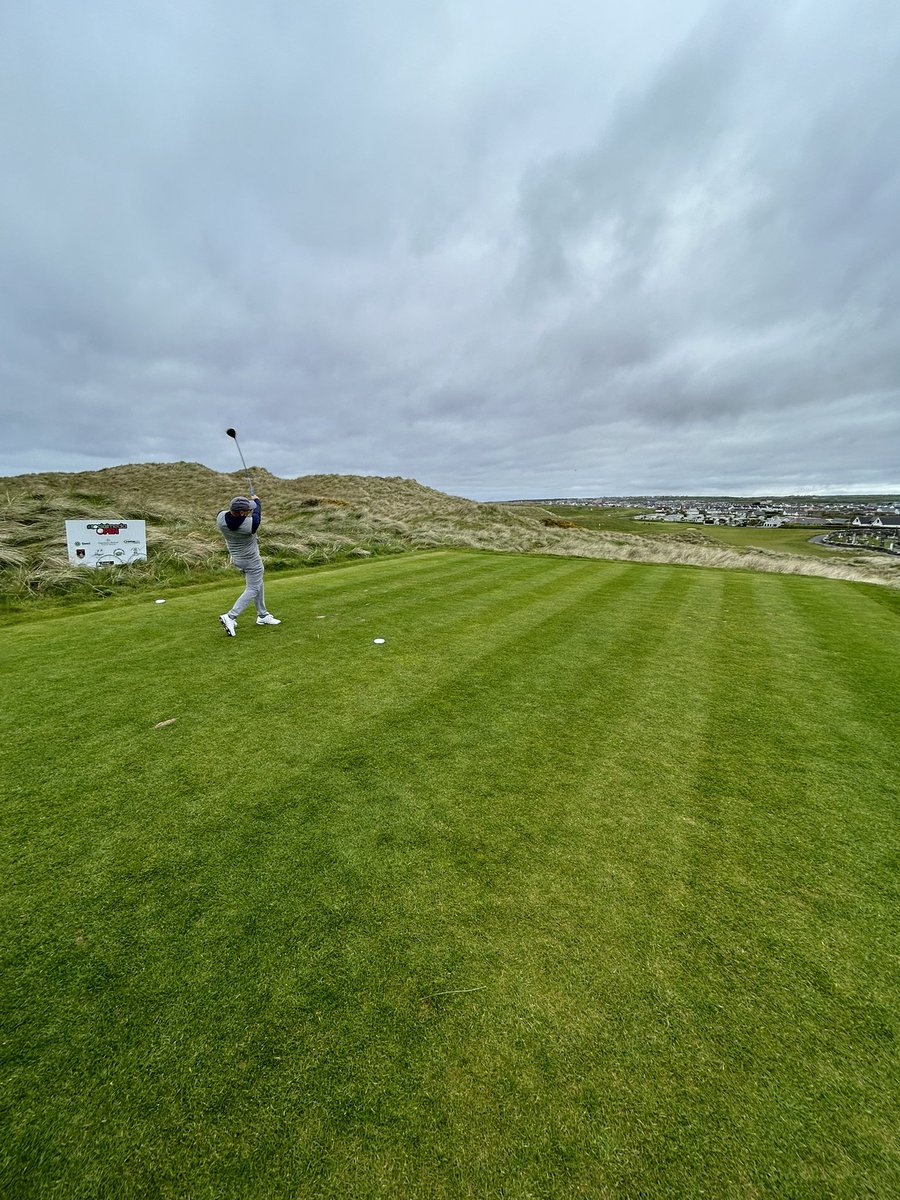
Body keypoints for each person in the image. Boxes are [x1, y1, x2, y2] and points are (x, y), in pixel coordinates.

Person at [216, 495, 281, 636]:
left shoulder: (220, 518)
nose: (249, 512)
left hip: (237, 559)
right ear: (241, 513)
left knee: (258, 583)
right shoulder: (249, 525)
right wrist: (257, 501)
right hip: (252, 561)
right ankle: (231, 616)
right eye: (246, 510)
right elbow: (257, 515)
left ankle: (262, 615)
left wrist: (246, 504)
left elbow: (234, 515)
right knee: (252, 588)